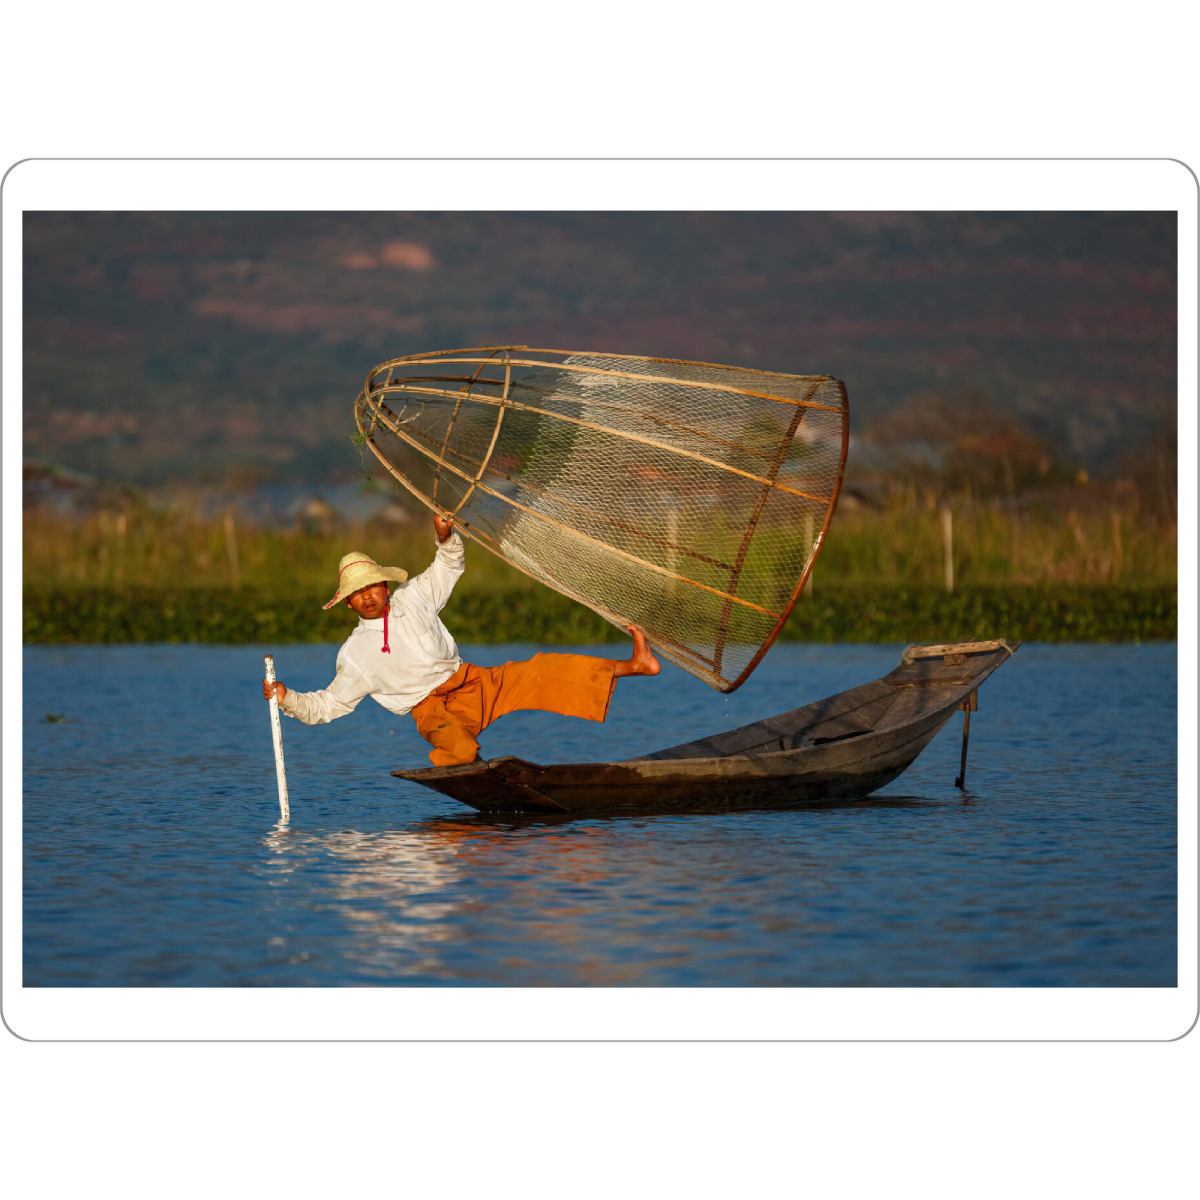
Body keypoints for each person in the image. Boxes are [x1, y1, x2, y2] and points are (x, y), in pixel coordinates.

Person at [262, 511, 660, 766]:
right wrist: (287, 698)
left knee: (541, 669)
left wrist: (444, 535)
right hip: (432, 710)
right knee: (461, 750)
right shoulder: (355, 654)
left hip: (473, 681)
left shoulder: (414, 597)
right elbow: (330, 704)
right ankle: (467, 774)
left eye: (372, 587)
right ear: (348, 604)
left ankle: (634, 665)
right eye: (357, 593)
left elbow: (449, 565)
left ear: (385, 586)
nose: (366, 596)